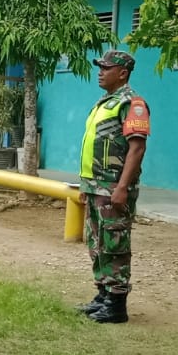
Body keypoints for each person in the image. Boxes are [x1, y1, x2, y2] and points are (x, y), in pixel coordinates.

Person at [75, 51, 150, 324]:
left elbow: (137, 148)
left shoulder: (132, 103)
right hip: (96, 187)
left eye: (106, 68)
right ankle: (103, 295)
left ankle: (117, 304)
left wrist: (122, 187)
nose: (100, 72)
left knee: (114, 243)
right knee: (97, 243)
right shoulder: (105, 103)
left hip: (113, 188)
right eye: (100, 67)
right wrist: (86, 185)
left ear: (123, 73)